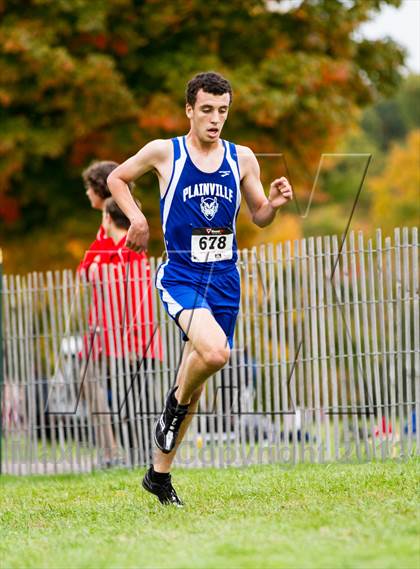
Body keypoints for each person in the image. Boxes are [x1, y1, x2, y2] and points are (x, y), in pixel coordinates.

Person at [107, 71, 293, 505]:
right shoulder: (164, 152)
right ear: (189, 109)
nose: (215, 119)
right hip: (183, 276)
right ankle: (173, 404)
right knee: (214, 353)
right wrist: (136, 218)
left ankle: (158, 475)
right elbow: (118, 178)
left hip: (225, 279)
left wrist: (275, 205)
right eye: (206, 110)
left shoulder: (242, 158)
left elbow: (259, 214)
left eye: (222, 111)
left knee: (201, 373)